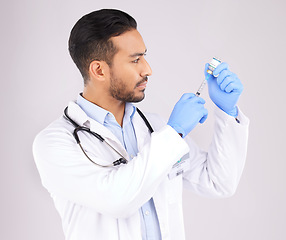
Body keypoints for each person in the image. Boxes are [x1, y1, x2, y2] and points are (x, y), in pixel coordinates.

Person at [33, 9, 249, 240]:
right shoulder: (54, 143)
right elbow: (118, 200)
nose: (148, 69)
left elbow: (217, 181)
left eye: (144, 57)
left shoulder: (155, 127)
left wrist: (227, 112)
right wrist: (174, 133)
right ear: (98, 70)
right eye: (135, 59)